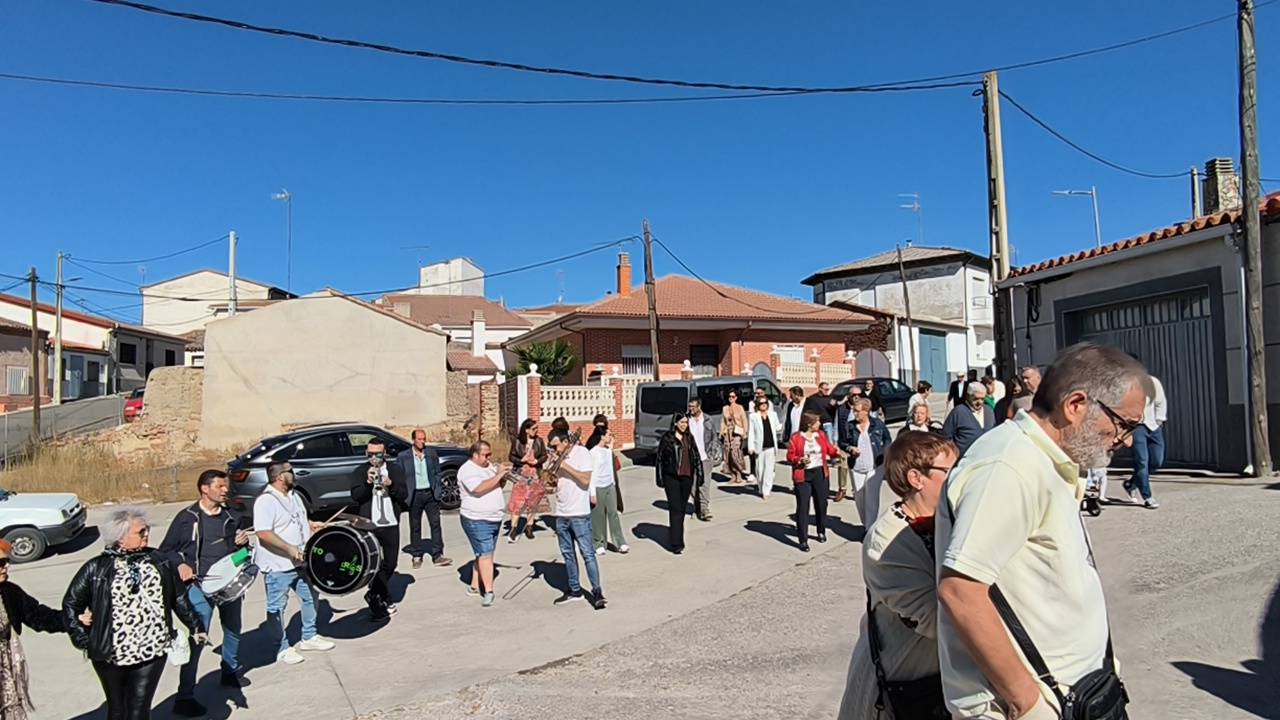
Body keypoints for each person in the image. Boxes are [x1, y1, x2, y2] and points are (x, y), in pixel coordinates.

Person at [936, 343, 1148, 720]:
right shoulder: (1009, 464)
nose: (1127, 440)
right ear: (1076, 405)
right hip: (1037, 705)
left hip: (1078, 694)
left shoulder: (1044, 459)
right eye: (1124, 424)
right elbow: (961, 592)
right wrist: (1027, 703)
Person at [837, 432, 958, 720]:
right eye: (950, 471)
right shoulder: (885, 542)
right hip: (901, 688)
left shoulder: (948, 523)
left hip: (941, 683)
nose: (959, 478)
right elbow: (937, 620)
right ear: (917, 479)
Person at [63, 507, 207, 720]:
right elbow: (71, 605)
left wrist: (196, 626)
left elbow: (178, 598)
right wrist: (84, 640)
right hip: (111, 653)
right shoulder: (97, 568)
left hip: (152, 649)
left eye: (146, 530)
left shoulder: (159, 560)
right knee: (118, 710)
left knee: (139, 710)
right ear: (120, 537)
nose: (146, 534)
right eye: (140, 532)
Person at [158, 470, 251, 717]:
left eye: (225, 486)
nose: (225, 490)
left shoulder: (232, 516)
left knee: (233, 629)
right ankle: (185, 696)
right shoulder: (187, 518)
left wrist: (244, 543)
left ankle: (229, 672)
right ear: (204, 489)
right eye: (220, 486)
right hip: (199, 587)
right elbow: (165, 550)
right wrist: (180, 564)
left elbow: (240, 551)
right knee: (198, 638)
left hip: (228, 584)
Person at [253, 462, 334, 665]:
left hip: (300, 561)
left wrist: (311, 526)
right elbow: (263, 533)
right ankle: (282, 648)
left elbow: (296, 520)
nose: (293, 474)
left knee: (310, 597)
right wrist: (289, 549)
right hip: (278, 565)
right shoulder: (265, 501)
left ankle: (309, 636)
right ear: (280, 477)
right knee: (277, 607)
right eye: (289, 471)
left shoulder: (294, 496)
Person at [0, 538, 68, 720]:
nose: (6, 567)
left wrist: (73, 620)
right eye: (0, 563)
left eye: (7, 561)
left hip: (5, 668)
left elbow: (39, 616)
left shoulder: (9, 592)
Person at [350, 439, 409, 621]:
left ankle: (375, 592)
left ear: (385, 454)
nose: (374, 458)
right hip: (370, 524)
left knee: (390, 563)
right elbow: (356, 497)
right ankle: (377, 602)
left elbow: (403, 495)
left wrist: (390, 485)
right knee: (372, 564)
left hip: (390, 522)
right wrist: (368, 483)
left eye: (378, 454)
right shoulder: (360, 471)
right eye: (370, 454)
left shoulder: (395, 470)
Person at [548, 430, 607, 609]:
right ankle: (575, 590)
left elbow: (585, 480)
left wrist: (566, 467)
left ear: (566, 442)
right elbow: (554, 484)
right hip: (561, 513)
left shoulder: (582, 453)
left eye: (556, 445)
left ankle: (597, 592)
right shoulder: (556, 458)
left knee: (587, 553)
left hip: (579, 513)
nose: (554, 449)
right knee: (567, 554)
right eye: (551, 446)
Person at [458, 441, 510, 607]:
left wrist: (503, 476)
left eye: (490, 454)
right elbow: (479, 489)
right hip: (476, 518)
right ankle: (488, 591)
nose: (489, 458)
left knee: (484, 553)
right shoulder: (467, 470)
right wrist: (499, 475)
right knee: (486, 554)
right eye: (486, 455)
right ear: (475, 455)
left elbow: (498, 486)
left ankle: (474, 585)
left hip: (494, 517)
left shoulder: (489, 467)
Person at [786, 412, 841, 552]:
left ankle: (820, 530)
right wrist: (799, 460)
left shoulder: (821, 435)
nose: (820, 424)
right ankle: (803, 539)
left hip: (820, 473)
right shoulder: (796, 438)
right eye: (817, 422)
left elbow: (829, 449)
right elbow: (790, 455)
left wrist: (836, 452)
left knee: (821, 504)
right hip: (803, 475)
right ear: (809, 424)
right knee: (803, 507)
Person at [398, 428, 451, 569]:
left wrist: (437, 489)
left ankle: (437, 554)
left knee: (435, 524)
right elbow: (400, 476)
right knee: (415, 526)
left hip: (430, 494)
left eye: (424, 439)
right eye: (419, 439)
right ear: (413, 440)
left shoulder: (431, 453)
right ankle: (416, 554)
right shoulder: (404, 456)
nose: (422, 442)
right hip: (414, 495)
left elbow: (437, 472)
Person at [840, 397, 892, 526]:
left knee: (871, 498)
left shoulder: (877, 424)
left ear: (866, 411)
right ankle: (866, 524)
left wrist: (883, 452)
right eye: (854, 411)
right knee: (859, 497)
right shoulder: (849, 426)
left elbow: (887, 439)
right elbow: (841, 442)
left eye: (857, 411)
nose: (855, 413)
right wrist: (849, 448)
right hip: (856, 467)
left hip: (875, 467)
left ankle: (869, 528)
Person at [656, 413, 702, 555]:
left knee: (681, 509)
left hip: (686, 477)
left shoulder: (689, 438)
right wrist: (660, 478)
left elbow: (696, 457)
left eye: (685, 422)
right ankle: (676, 543)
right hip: (672, 478)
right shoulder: (668, 439)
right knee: (675, 509)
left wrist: (700, 474)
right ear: (675, 423)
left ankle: (676, 534)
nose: (684, 425)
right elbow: (659, 459)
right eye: (681, 422)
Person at [1124, 363, 1167, 509]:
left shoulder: (1152, 382)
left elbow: (1160, 401)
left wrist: (1159, 420)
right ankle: (1147, 496)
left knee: (1156, 461)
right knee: (1142, 461)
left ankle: (1131, 484)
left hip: (1154, 425)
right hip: (1137, 427)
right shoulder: (1125, 386)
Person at [506, 419, 549, 542]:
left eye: (536, 428)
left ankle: (529, 527)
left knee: (532, 502)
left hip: (535, 474)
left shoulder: (539, 441)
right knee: (517, 502)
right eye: (534, 429)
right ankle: (513, 528)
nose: (536, 431)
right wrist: (522, 460)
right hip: (521, 475)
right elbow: (511, 456)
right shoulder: (518, 441)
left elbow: (544, 456)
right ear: (526, 430)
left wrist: (537, 461)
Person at [589, 428, 628, 555]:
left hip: (609, 486)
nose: (610, 437)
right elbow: (592, 474)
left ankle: (620, 542)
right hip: (598, 487)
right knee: (598, 516)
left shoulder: (608, 451)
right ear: (601, 436)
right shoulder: (593, 452)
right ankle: (599, 543)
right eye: (608, 435)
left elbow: (611, 469)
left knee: (613, 514)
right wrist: (592, 493)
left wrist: (614, 485)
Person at [686, 399, 721, 521]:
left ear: (699, 406)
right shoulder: (686, 421)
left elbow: (714, 438)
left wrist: (712, 455)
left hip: (705, 457)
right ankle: (697, 507)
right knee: (692, 485)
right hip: (690, 458)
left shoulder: (707, 420)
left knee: (704, 485)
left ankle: (704, 509)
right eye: (690, 407)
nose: (691, 409)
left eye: (693, 407)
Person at [942, 382, 996, 457]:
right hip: (963, 460)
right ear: (967, 396)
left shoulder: (989, 411)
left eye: (982, 399)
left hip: (985, 460)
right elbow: (946, 438)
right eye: (976, 399)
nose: (979, 402)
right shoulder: (958, 412)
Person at [747, 397, 781, 499]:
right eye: (761, 403)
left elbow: (776, 427)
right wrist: (751, 446)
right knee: (760, 469)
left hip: (770, 445)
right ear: (757, 405)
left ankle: (766, 490)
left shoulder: (773, 415)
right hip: (759, 446)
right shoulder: (753, 417)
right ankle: (761, 487)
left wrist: (781, 427)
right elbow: (751, 432)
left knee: (769, 470)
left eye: (765, 403)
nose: (764, 405)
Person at [720, 389, 750, 486]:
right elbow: (723, 422)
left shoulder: (740, 408)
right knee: (728, 453)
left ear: (736, 398)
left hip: (737, 432)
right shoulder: (725, 408)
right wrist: (722, 432)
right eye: (729, 396)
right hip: (728, 432)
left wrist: (745, 432)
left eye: (733, 397)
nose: (731, 398)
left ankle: (738, 473)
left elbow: (744, 420)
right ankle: (732, 474)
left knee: (735, 452)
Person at [804, 382, 840, 447]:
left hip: (827, 424)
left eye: (828, 389)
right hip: (816, 424)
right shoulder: (812, 398)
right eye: (825, 389)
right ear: (820, 389)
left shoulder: (830, 398)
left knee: (829, 443)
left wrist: (834, 405)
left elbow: (836, 408)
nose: (827, 391)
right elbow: (807, 411)